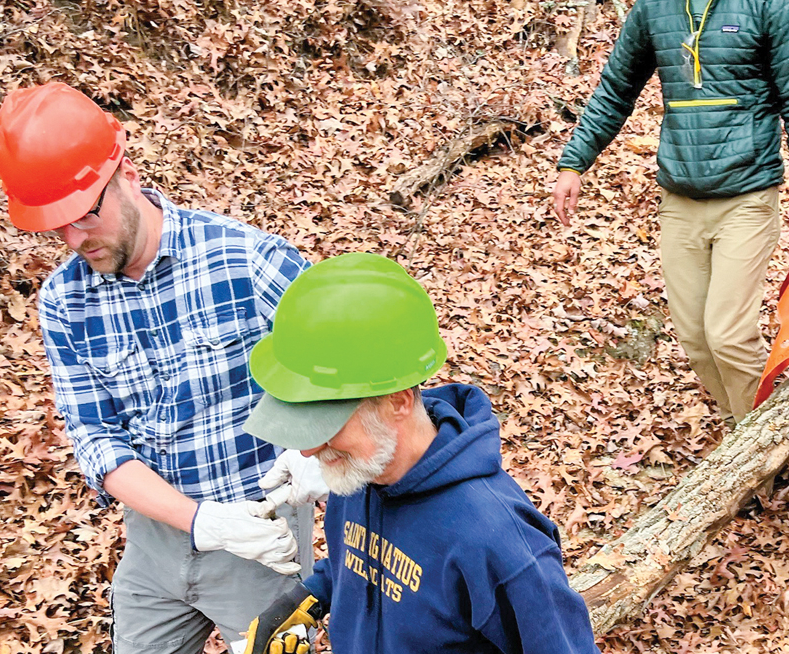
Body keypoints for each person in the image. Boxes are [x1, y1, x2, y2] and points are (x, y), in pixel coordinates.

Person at [0, 82, 324, 652]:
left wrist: (321, 449)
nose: (75, 239)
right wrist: (198, 521)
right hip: (154, 545)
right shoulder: (64, 302)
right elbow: (95, 436)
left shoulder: (246, 260)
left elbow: (344, 364)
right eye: (57, 227)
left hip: (261, 540)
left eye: (86, 216)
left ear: (127, 172)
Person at [551, 0, 789, 425]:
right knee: (696, 341)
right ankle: (744, 436)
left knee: (728, 335)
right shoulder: (656, 2)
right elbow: (616, 88)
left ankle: (760, 446)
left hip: (747, 198)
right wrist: (574, 162)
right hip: (680, 200)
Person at [240, 253, 602, 654]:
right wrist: (311, 594)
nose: (309, 448)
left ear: (396, 402)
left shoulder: (499, 543)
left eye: (327, 426)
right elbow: (365, 560)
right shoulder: (362, 471)